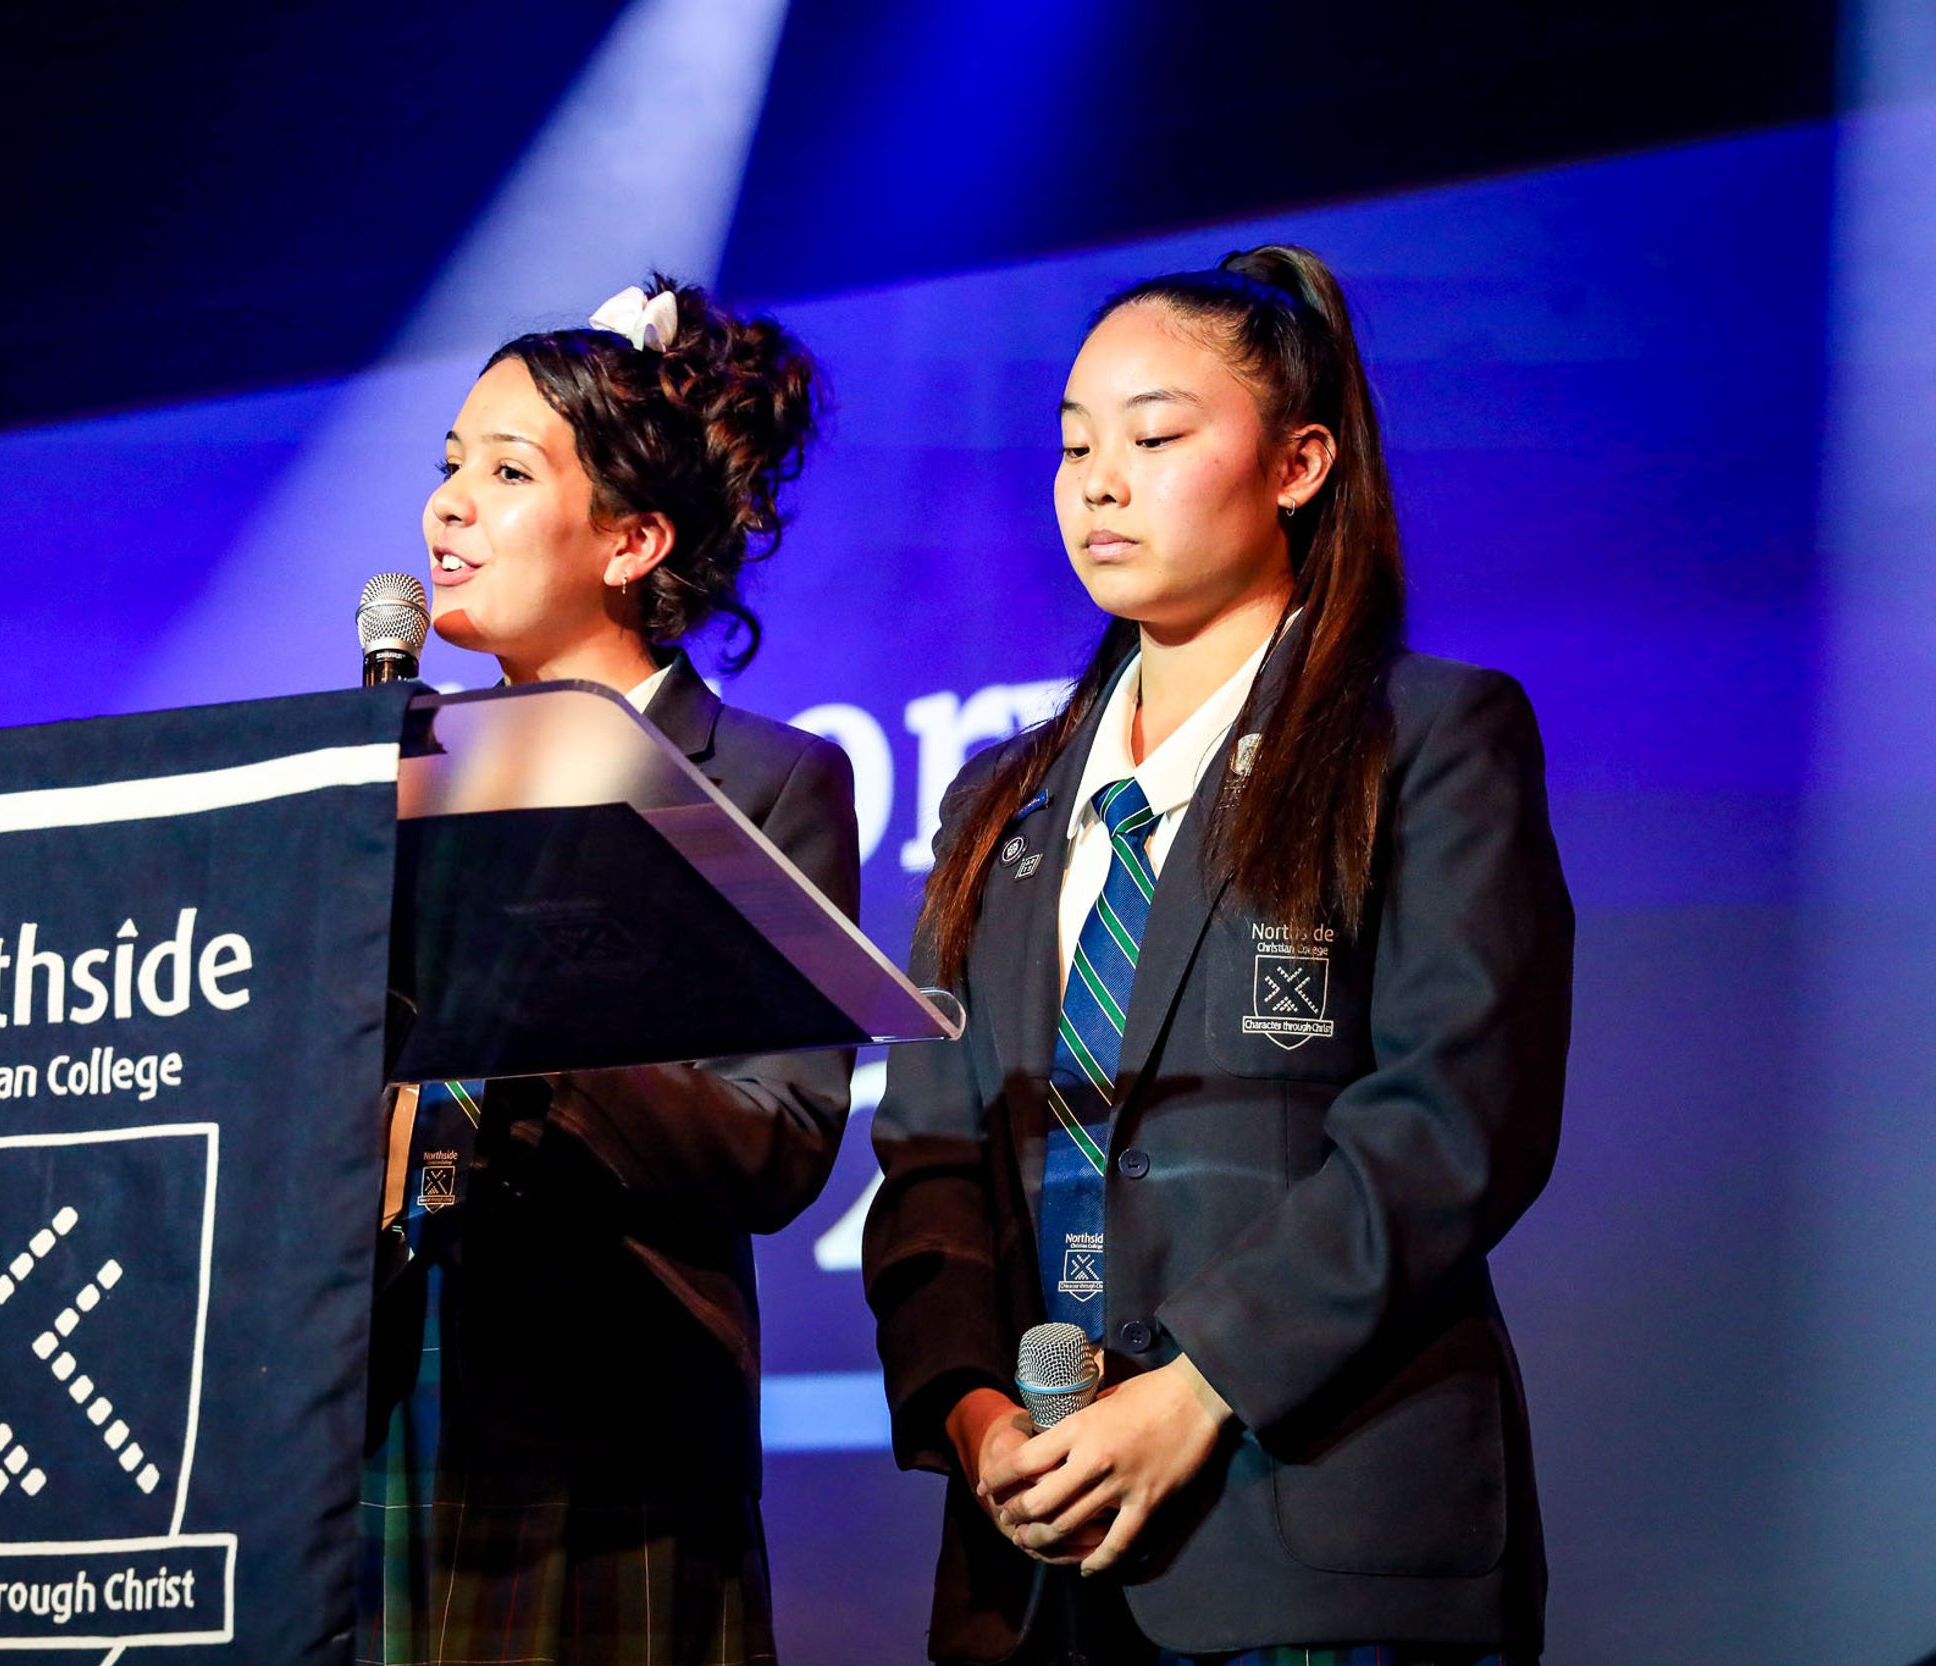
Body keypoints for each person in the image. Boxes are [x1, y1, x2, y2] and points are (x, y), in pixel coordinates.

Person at [862, 244, 1572, 1665]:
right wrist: (977, 1416)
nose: (1099, 484)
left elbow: (1453, 1124)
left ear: (1298, 464)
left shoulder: (1429, 737)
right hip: (1036, 1565)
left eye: (1155, 437)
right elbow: (931, 1153)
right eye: (1075, 445)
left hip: (1319, 1535)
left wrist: (1196, 1389)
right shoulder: (1000, 798)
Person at [359, 277, 859, 1665]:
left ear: (632, 541)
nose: (448, 508)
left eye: (507, 472)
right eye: (450, 465)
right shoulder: (385, 772)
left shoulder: (763, 780)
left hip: (610, 1434)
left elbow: (776, 1135)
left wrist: (548, 1028)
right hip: (374, 1394)